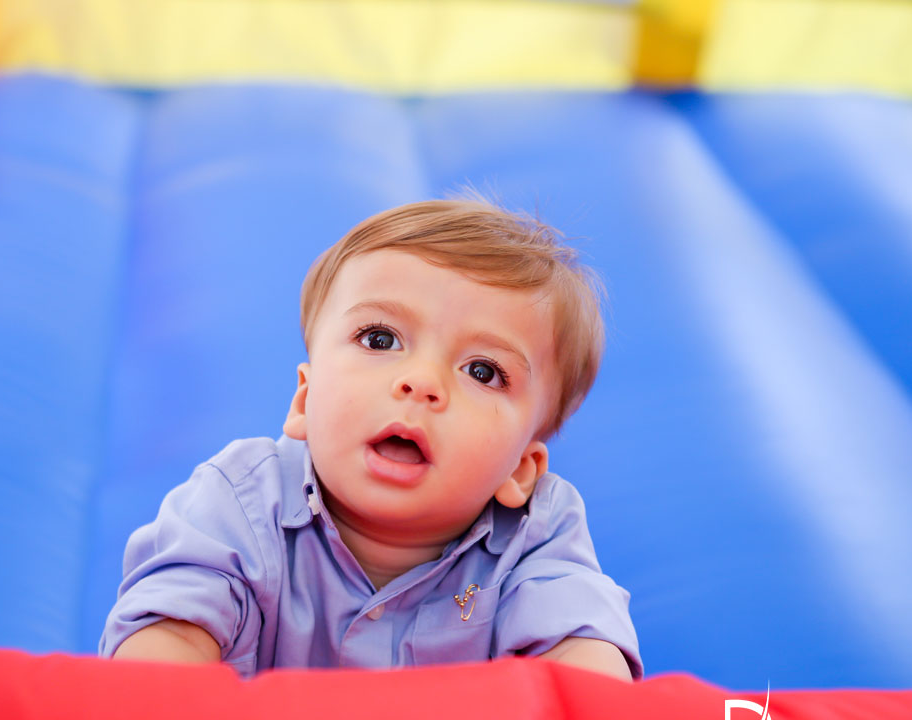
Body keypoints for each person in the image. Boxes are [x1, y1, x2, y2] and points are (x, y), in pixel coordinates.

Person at [100, 193, 641, 681]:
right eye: (380, 339)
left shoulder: (535, 535)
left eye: (482, 371)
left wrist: (589, 689)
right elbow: (166, 637)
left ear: (520, 470)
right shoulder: (241, 501)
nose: (421, 382)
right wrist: (167, 681)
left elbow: (584, 656)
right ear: (305, 401)